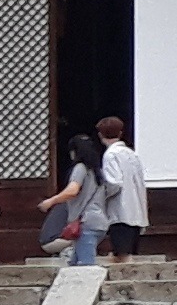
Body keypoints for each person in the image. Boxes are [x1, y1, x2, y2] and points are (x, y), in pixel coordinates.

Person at [40, 131, 103, 266]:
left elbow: (72, 190)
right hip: (100, 221)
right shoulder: (98, 172)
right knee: (73, 263)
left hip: (85, 223)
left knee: (86, 265)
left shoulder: (80, 168)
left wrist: (51, 201)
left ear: (74, 152)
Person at [94, 112, 150, 258]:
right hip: (136, 211)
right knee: (132, 253)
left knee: (122, 254)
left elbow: (114, 183)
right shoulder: (132, 154)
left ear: (100, 135)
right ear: (120, 133)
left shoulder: (110, 155)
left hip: (120, 212)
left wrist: (100, 196)